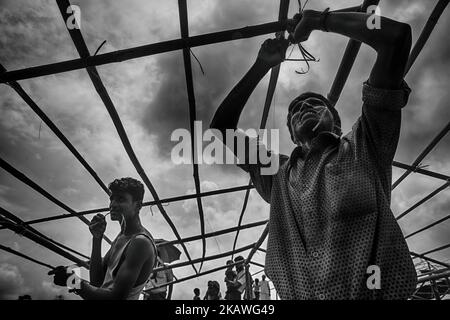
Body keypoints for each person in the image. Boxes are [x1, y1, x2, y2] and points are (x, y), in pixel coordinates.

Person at [210, 8, 417, 299]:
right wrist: (261, 66)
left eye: (315, 103)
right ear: (293, 136)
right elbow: (221, 128)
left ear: (336, 121)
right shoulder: (279, 174)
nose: (303, 107)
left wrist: (321, 21)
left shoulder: (364, 144)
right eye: (294, 111)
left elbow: (396, 38)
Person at [49, 177, 157, 300]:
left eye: (121, 199)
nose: (113, 205)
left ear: (137, 205)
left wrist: (73, 281)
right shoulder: (122, 237)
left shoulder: (140, 242)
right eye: (112, 199)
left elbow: (116, 298)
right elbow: (97, 282)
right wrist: (97, 238)